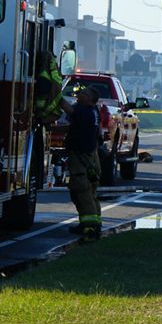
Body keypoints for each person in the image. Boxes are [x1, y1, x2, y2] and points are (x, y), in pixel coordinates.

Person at [60, 83, 102, 239]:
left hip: (81, 157)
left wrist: (56, 93)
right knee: (90, 193)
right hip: (91, 157)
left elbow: (66, 108)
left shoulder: (83, 110)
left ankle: (89, 227)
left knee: (82, 191)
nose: (78, 95)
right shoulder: (94, 111)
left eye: (82, 93)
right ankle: (94, 223)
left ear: (89, 98)